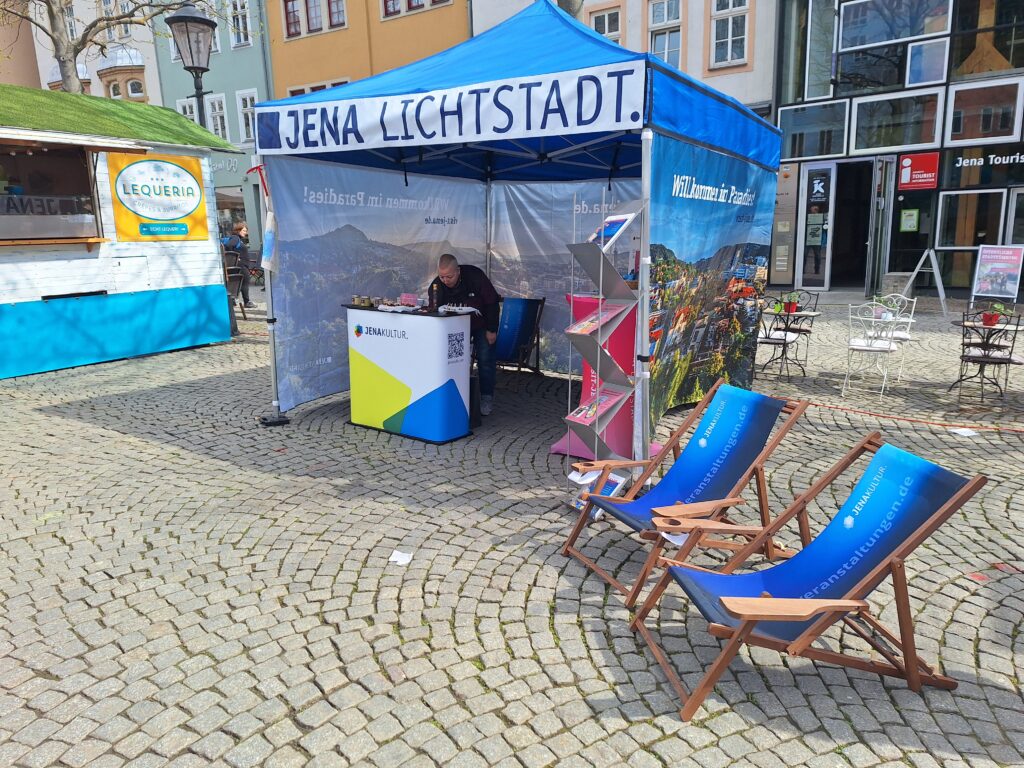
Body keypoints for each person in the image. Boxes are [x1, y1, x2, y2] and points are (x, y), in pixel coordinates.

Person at [428, 253, 501, 415]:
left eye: (449, 276)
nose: (446, 280)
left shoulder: (475, 276)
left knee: (485, 359)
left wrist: (492, 329)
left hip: (482, 324)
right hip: (457, 327)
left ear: (458, 271)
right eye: (442, 276)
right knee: (454, 360)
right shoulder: (436, 286)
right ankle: (457, 395)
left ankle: (486, 397)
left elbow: (492, 302)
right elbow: (435, 311)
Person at [224, 222, 256, 309]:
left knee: (241, 283)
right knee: (245, 283)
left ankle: (235, 300)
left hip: (242, 265)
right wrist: (233, 257)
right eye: (244, 230)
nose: (246, 232)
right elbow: (228, 245)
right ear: (238, 231)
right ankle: (247, 302)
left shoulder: (237, 239)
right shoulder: (235, 238)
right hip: (241, 266)